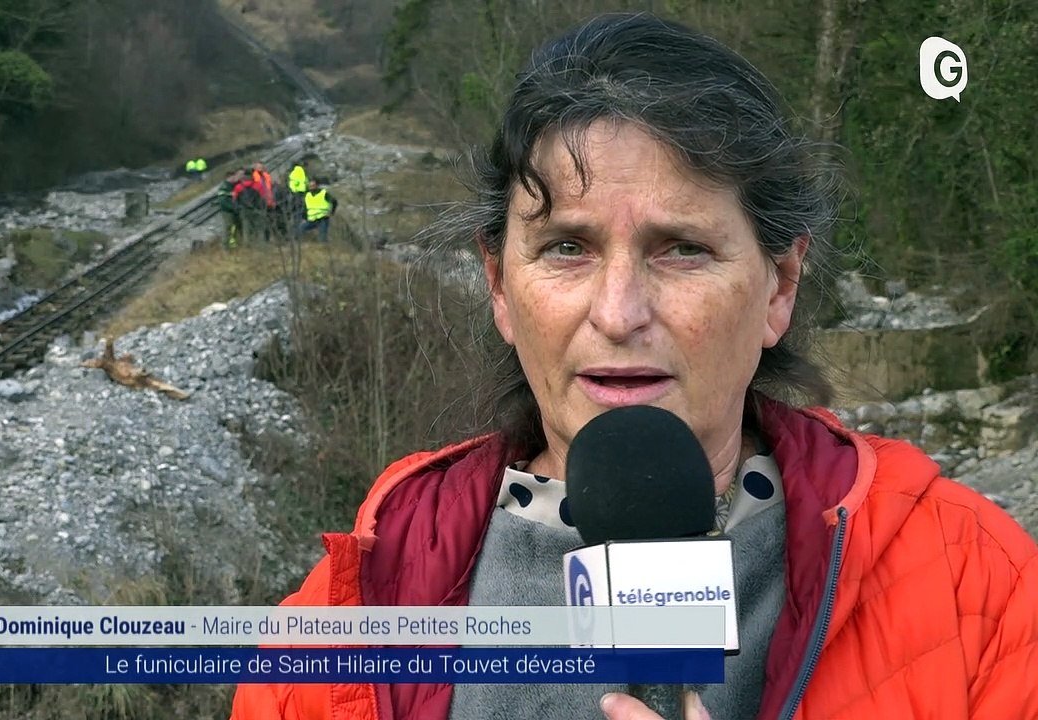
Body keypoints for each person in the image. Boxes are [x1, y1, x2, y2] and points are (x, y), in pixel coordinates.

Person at [231, 12, 1038, 720]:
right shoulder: (328, 645)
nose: (618, 314)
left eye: (682, 249)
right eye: (567, 248)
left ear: (778, 287)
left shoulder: (982, 591)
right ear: (499, 286)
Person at [297, 179, 337, 243]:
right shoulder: (307, 195)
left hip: (322, 219)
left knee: (322, 238)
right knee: (299, 230)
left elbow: (334, 201)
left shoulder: (323, 193)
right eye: (310, 186)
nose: (311, 187)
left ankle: (324, 249)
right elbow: (305, 208)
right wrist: (304, 218)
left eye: (313, 185)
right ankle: (301, 245)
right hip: (311, 220)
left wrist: (332, 212)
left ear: (317, 186)